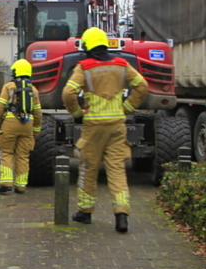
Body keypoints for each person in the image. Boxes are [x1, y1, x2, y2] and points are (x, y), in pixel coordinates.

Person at [62, 27, 148, 233]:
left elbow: (68, 92)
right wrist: (126, 108)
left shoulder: (85, 67)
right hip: (117, 125)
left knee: (88, 168)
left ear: (87, 45)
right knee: (117, 169)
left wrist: (76, 113)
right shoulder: (121, 64)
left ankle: (85, 211)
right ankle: (121, 215)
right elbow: (142, 86)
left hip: (93, 126)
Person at [0, 59, 42, 195]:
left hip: (10, 122)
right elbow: (37, 112)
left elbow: (0, 107)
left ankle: (6, 183)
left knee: (6, 152)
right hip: (28, 124)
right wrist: (36, 128)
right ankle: (21, 186)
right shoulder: (34, 90)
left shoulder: (9, 86)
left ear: (15, 71)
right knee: (23, 155)